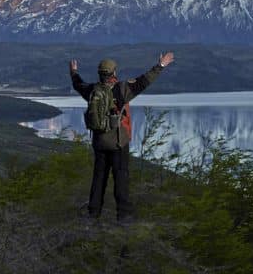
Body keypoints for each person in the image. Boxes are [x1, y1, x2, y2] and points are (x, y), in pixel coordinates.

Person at [69, 52, 174, 222]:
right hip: (118, 142)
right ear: (114, 73)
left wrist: (73, 72)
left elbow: (78, 85)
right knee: (121, 178)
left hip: (100, 143)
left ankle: (93, 214)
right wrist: (160, 65)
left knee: (99, 178)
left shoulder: (92, 91)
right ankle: (123, 216)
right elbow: (144, 81)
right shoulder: (122, 89)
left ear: (100, 73)